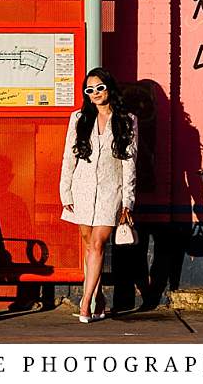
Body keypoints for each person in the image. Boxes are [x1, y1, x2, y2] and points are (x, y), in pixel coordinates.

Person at [59, 67, 138, 323]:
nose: (94, 93)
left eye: (99, 87)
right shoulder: (78, 118)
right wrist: (65, 191)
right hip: (81, 190)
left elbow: (129, 163)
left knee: (97, 244)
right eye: (89, 89)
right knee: (88, 244)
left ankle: (85, 302)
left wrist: (128, 201)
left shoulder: (127, 119)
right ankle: (100, 299)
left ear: (109, 88)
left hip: (110, 191)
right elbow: (68, 158)